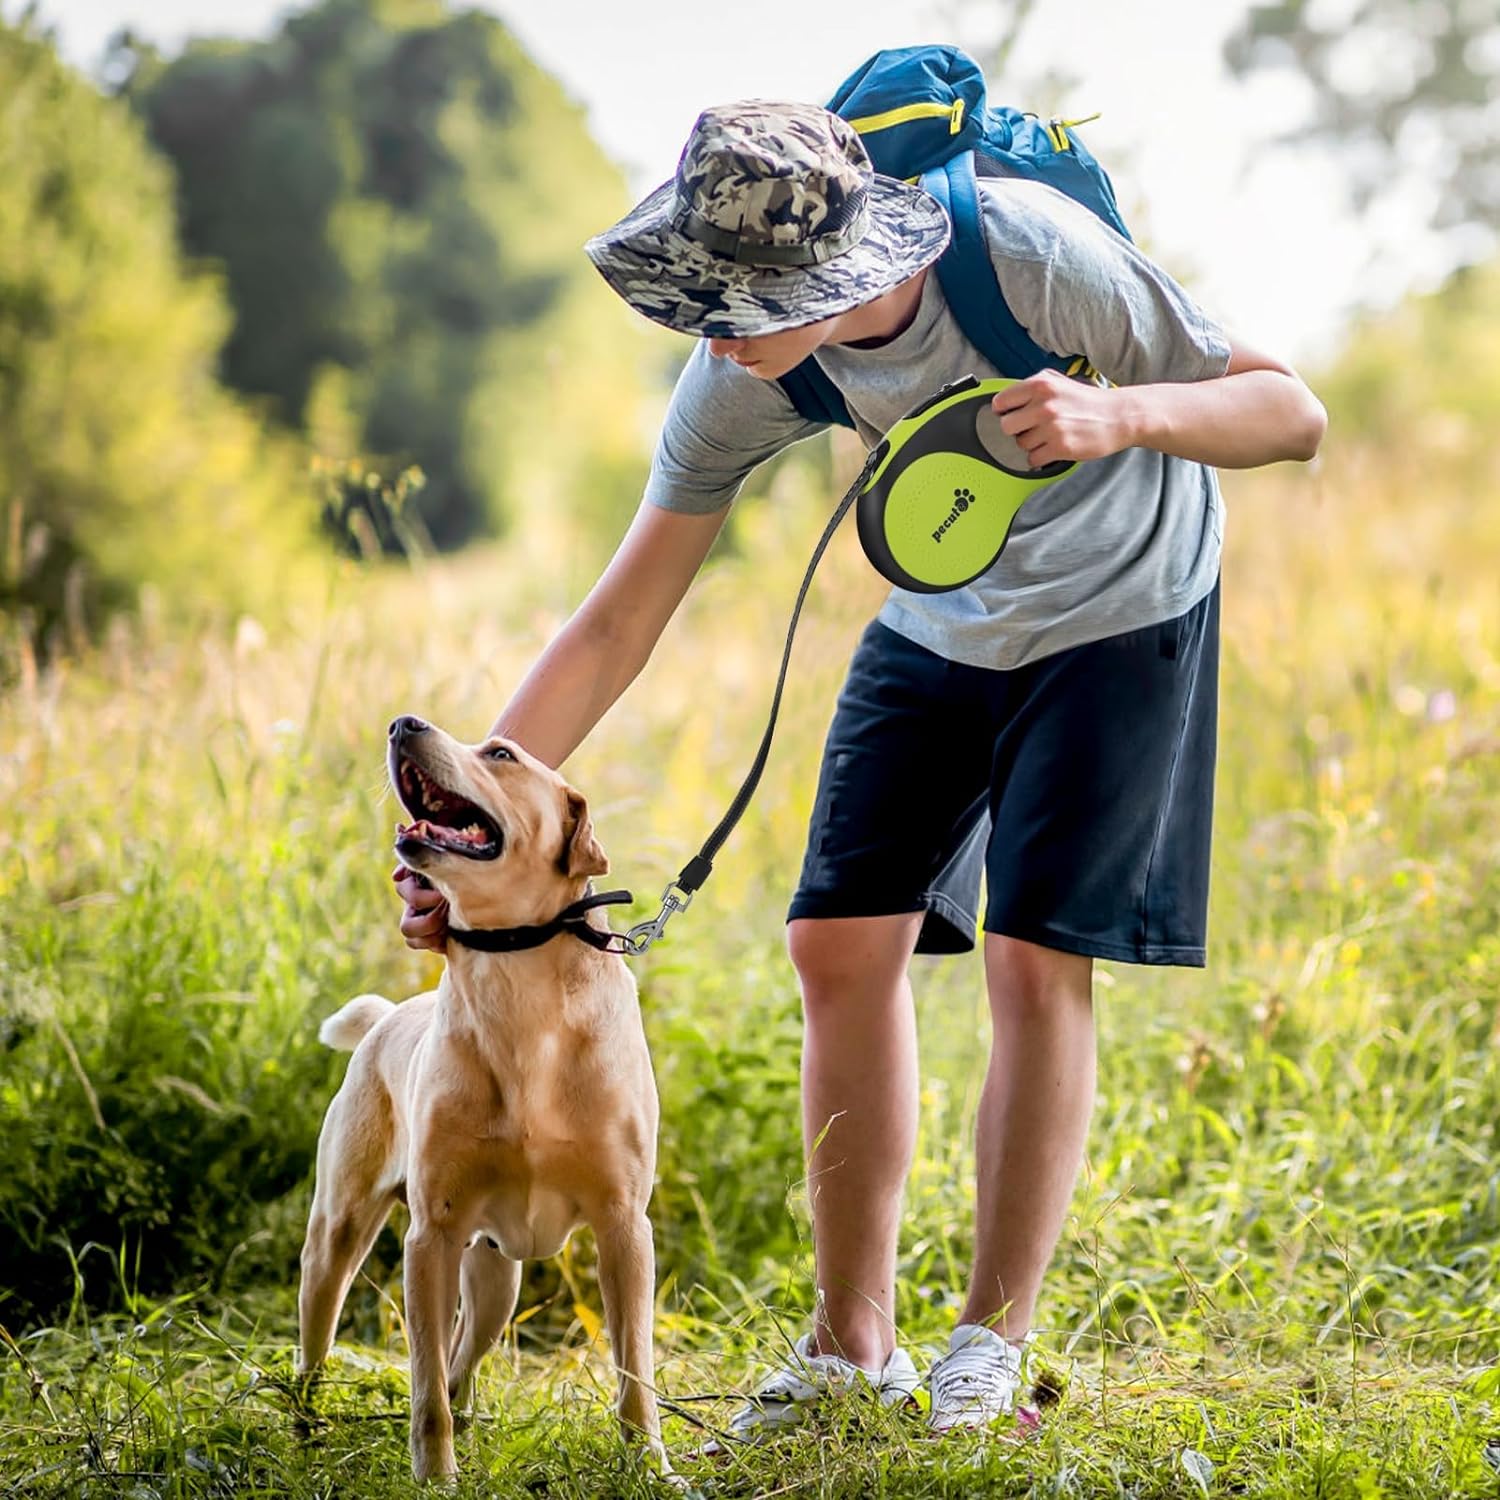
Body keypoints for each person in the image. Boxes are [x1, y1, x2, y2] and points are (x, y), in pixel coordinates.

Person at [394, 99, 1326, 1440]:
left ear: (828, 277)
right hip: (943, 617)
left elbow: (1290, 413)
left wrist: (1121, 416)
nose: (705, 327)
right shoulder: (743, 377)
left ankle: (987, 1346)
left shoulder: (1031, 257)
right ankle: (851, 1345)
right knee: (835, 943)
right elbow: (614, 621)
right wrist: (469, 818)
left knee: (1032, 957)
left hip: (1124, 611)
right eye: (692, 292)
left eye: (729, 299)